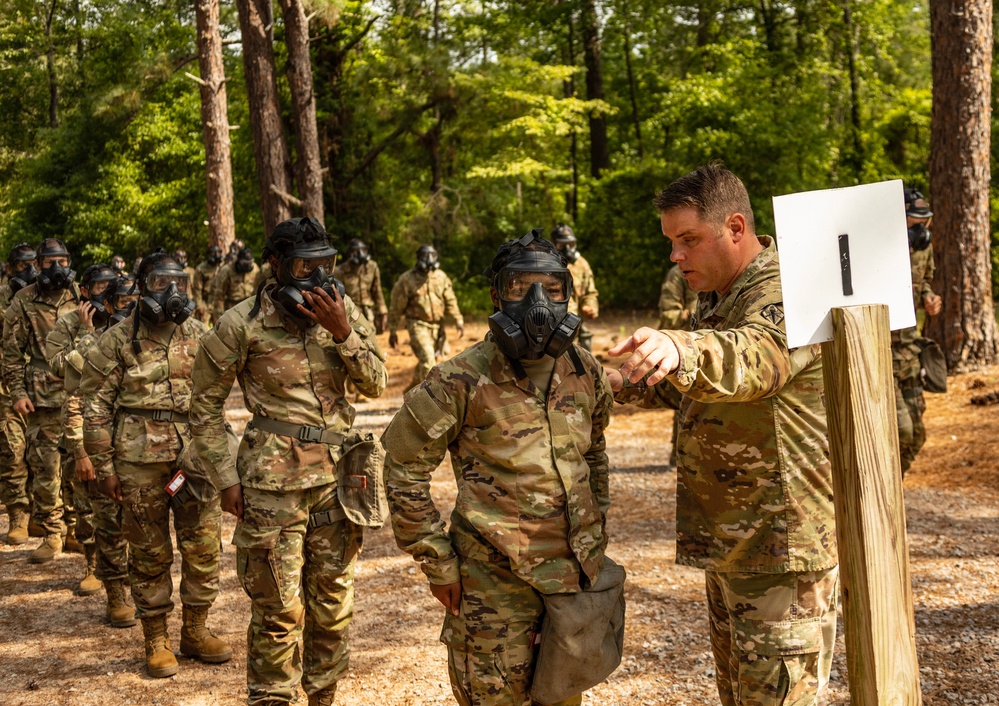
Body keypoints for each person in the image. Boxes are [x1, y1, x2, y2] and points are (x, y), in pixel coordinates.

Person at [607, 164, 837, 706]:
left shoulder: (790, 288)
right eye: (671, 242)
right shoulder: (718, 295)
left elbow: (754, 359)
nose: (675, 257)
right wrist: (619, 381)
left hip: (782, 548)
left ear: (736, 228)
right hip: (739, 541)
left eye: (688, 240)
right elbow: (695, 390)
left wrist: (682, 348)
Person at [383, 230, 613, 706]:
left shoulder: (585, 370)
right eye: (519, 288)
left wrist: (595, 532)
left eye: (551, 289)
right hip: (492, 584)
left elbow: (594, 455)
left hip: (571, 582)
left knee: (563, 698)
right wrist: (437, 561)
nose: (537, 303)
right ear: (496, 295)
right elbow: (403, 466)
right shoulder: (459, 379)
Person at [189, 216, 387, 706]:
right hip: (271, 487)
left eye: (326, 265)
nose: (319, 278)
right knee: (278, 608)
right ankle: (273, 697)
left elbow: (376, 383)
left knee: (333, 607)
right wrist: (226, 475)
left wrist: (344, 333)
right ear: (275, 265)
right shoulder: (240, 324)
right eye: (305, 266)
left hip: (339, 481)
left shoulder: (342, 311)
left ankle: (324, 696)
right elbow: (203, 407)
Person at [82, 251, 230, 678]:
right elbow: (95, 407)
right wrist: (105, 467)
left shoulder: (199, 333)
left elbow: (218, 398)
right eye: (162, 283)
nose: (172, 292)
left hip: (194, 458)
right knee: (148, 552)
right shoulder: (117, 338)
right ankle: (157, 639)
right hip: (138, 462)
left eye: (178, 283)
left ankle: (196, 631)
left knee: (203, 547)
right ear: (143, 286)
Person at [3, 238, 82, 563]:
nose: (57, 268)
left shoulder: (80, 293)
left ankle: (77, 529)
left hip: (78, 394)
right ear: (38, 264)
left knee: (78, 466)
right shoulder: (23, 300)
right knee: (46, 468)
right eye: (50, 262)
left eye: (62, 261)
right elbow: (10, 353)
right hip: (41, 399)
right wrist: (18, 394)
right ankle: (52, 533)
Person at [46, 263, 119, 596]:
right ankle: (92, 564)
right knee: (86, 501)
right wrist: (84, 331)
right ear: (86, 292)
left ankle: (120, 566)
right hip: (79, 417)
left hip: (118, 423)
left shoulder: (125, 322)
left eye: (111, 288)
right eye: (99, 288)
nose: (105, 294)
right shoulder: (68, 322)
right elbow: (60, 367)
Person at [894, 188, 942, 475]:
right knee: (901, 432)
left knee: (916, 436)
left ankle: (891, 492)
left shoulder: (925, 248)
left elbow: (923, 283)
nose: (921, 230)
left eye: (925, 222)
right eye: (914, 222)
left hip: (909, 350)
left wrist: (929, 298)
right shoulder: (879, 249)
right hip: (883, 352)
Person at [1, 243, 39, 545]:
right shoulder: (3, 298)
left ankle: (43, 515)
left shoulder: (42, 298)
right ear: (11, 267)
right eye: (23, 265)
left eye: (33, 264)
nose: (30, 271)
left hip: (41, 386)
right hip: (6, 387)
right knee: (12, 451)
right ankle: (18, 515)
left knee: (41, 453)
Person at [387, 244, 464, 390]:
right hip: (418, 325)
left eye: (433, 256)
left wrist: (458, 320)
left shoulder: (441, 277)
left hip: (438, 327)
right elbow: (396, 307)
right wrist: (392, 330)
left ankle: (412, 388)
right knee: (429, 361)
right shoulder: (407, 279)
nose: (429, 260)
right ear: (418, 258)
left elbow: (450, 300)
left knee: (430, 359)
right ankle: (430, 400)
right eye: (425, 256)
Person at [657, 263, 700, 470]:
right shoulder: (678, 274)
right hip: (684, 348)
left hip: (711, 349)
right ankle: (679, 457)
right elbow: (669, 315)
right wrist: (692, 314)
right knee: (684, 402)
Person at [551, 225, 599, 352]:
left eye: (571, 244)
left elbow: (590, 292)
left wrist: (589, 307)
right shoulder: (543, 265)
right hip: (550, 329)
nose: (567, 249)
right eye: (562, 245)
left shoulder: (581, 264)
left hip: (574, 327)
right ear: (553, 244)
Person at [338, 238, 388, 333]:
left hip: (368, 313)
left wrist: (383, 311)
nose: (361, 253)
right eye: (357, 251)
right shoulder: (340, 271)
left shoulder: (372, 267)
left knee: (371, 342)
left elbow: (377, 290)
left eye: (363, 250)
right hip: (350, 314)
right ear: (350, 253)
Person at [214, 246, 260, 318]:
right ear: (239, 261)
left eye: (250, 263)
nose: (248, 266)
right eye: (245, 264)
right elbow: (219, 296)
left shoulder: (255, 268)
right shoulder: (226, 271)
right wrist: (220, 316)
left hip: (251, 306)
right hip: (233, 308)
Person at [192, 244, 224, 323]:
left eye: (218, 253)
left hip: (219, 302)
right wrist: (200, 306)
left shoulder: (223, 267)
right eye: (213, 253)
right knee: (203, 327)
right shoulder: (201, 268)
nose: (216, 255)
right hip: (206, 302)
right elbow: (197, 289)